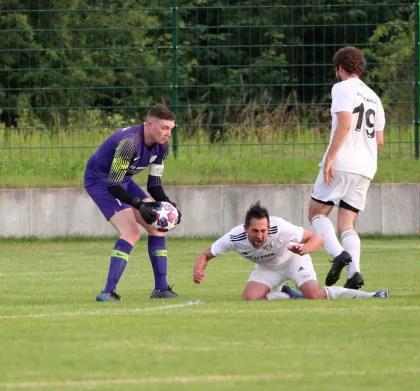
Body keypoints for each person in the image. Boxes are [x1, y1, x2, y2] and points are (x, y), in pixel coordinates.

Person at [84, 104, 182, 301]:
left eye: (171, 129)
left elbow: (154, 185)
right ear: (150, 124)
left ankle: (161, 289)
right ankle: (107, 292)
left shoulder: (162, 146)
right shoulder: (130, 143)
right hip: (101, 182)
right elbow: (113, 186)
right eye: (164, 128)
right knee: (131, 232)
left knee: (157, 227)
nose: (168, 133)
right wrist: (139, 204)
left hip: (123, 181)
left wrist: (170, 206)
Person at [193, 202, 389, 300]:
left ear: (269, 227)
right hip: (267, 267)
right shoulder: (234, 237)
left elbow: (317, 238)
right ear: (245, 229)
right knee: (250, 299)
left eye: (263, 230)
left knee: (314, 296)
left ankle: (371, 295)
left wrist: (304, 249)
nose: (260, 235)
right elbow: (205, 254)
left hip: (293, 260)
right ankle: (287, 295)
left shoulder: (280, 227)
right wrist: (198, 271)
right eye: (255, 231)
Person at [308, 46, 386, 291]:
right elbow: (380, 141)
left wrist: (330, 157)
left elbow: (344, 123)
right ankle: (355, 273)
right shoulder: (374, 97)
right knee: (347, 225)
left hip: (343, 162)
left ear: (340, 68)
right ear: (360, 68)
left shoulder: (341, 88)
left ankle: (339, 254)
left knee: (317, 214)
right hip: (366, 167)